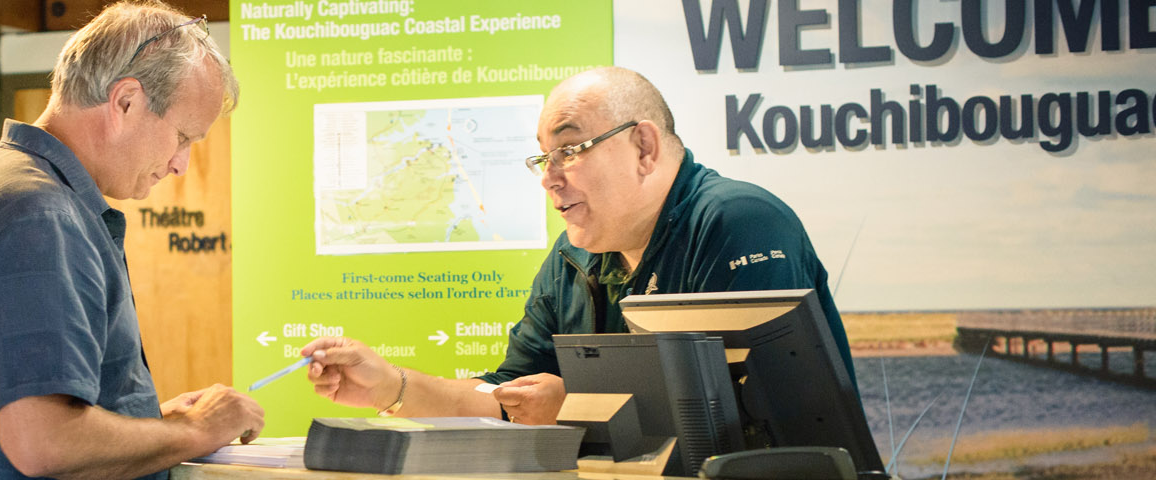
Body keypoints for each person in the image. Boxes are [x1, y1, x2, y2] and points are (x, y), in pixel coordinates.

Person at [302, 66, 856, 426]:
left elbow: (775, 416)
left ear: (643, 145)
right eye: (543, 158)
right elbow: (506, 401)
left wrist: (576, 407)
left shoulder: (738, 223)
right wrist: (392, 387)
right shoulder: (570, 260)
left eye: (570, 149)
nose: (549, 177)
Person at [0, 1, 260, 479]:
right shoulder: (40, 213)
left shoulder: (1, 185)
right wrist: (197, 429)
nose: (181, 165)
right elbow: (43, 441)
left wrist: (152, 425)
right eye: (182, 137)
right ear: (126, 102)